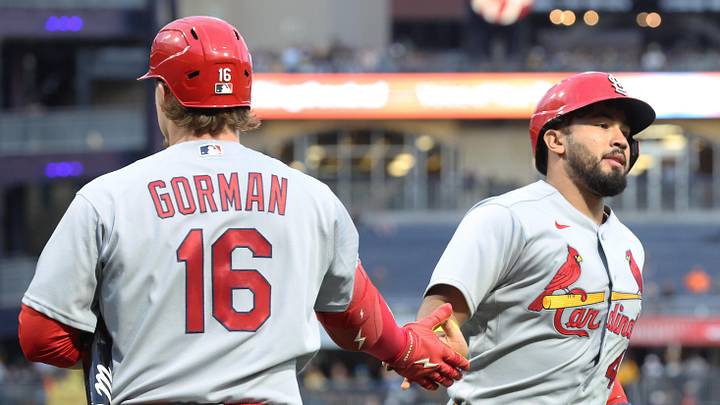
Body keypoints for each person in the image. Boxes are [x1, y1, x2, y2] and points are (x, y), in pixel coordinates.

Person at [17, 16, 468, 404]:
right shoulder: (310, 196)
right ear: (244, 95)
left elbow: (39, 338)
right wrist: (407, 350)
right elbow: (350, 317)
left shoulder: (108, 197)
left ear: (163, 96)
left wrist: (116, 340)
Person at [413, 72, 655, 404]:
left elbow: (595, 358)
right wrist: (427, 345)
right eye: (602, 125)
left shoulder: (629, 245)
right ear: (555, 140)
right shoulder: (506, 218)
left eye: (626, 133)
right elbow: (437, 319)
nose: (620, 140)